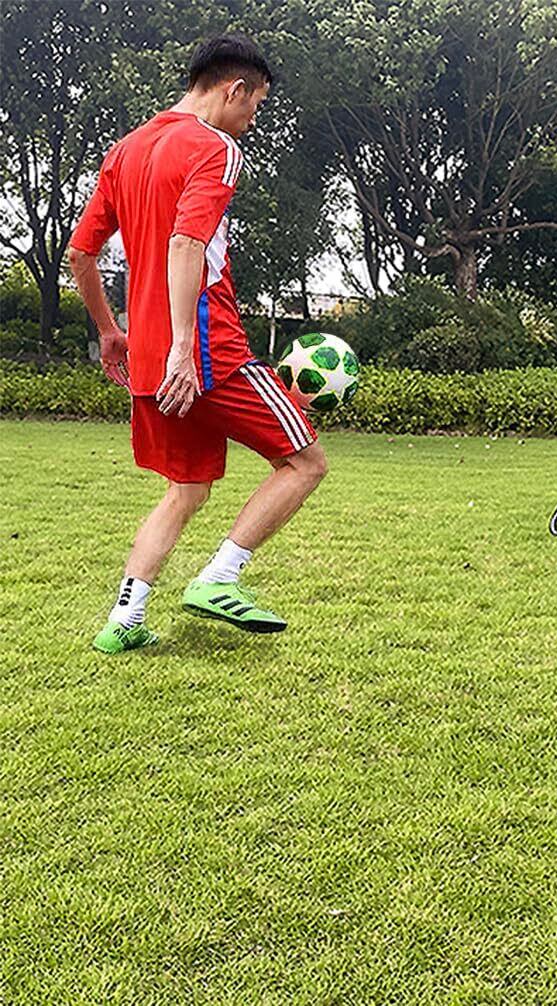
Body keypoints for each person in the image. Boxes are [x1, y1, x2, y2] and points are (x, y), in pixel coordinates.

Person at [68, 34, 327, 654]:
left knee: (186, 489)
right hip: (209, 352)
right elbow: (187, 243)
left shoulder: (126, 150)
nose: (253, 120)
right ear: (234, 90)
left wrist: (109, 331)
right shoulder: (216, 148)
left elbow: (81, 253)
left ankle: (124, 621)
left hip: (148, 361)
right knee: (306, 463)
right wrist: (185, 349)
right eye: (256, 105)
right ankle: (219, 577)